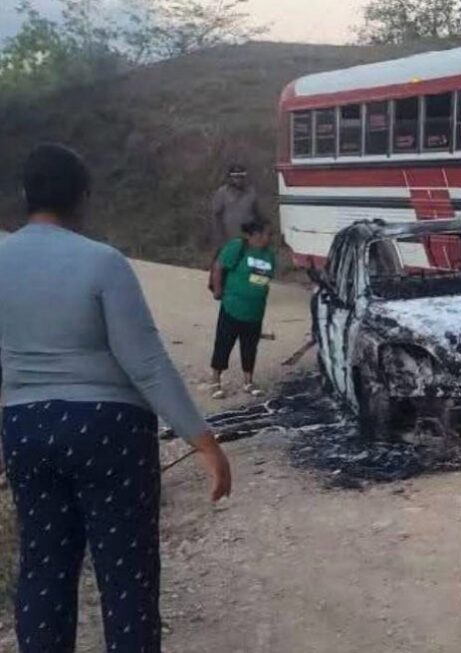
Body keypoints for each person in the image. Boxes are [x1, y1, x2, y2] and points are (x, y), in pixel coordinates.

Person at [0, 144, 232, 652]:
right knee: (126, 577)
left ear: (24, 194)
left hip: (25, 430)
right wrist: (205, 443)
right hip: (109, 432)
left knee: (43, 570)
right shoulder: (103, 263)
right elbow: (146, 363)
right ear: (83, 197)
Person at [209, 218, 276, 399]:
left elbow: (266, 278)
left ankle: (248, 381)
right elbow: (219, 266)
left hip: (255, 310)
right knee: (224, 343)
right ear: (256, 234)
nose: (270, 238)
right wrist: (218, 290)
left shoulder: (269, 255)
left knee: (250, 346)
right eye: (267, 234)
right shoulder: (238, 247)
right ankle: (216, 380)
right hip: (232, 306)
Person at [206, 164, 262, 291]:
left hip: (247, 236)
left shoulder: (251, 192)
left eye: (241, 177)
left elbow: (257, 213)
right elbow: (215, 215)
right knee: (222, 262)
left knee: (246, 263)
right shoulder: (222, 192)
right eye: (236, 177)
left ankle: (248, 286)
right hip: (227, 235)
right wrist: (218, 235)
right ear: (230, 178)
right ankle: (217, 286)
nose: (239, 180)